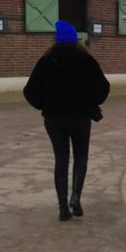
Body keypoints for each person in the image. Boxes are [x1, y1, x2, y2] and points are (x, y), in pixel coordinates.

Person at [23, 20, 110, 222]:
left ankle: (63, 206)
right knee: (81, 157)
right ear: (75, 39)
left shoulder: (46, 60)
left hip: (53, 119)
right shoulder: (86, 60)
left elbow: (29, 92)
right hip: (80, 117)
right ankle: (76, 196)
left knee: (60, 160)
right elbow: (103, 88)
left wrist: (43, 105)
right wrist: (90, 103)